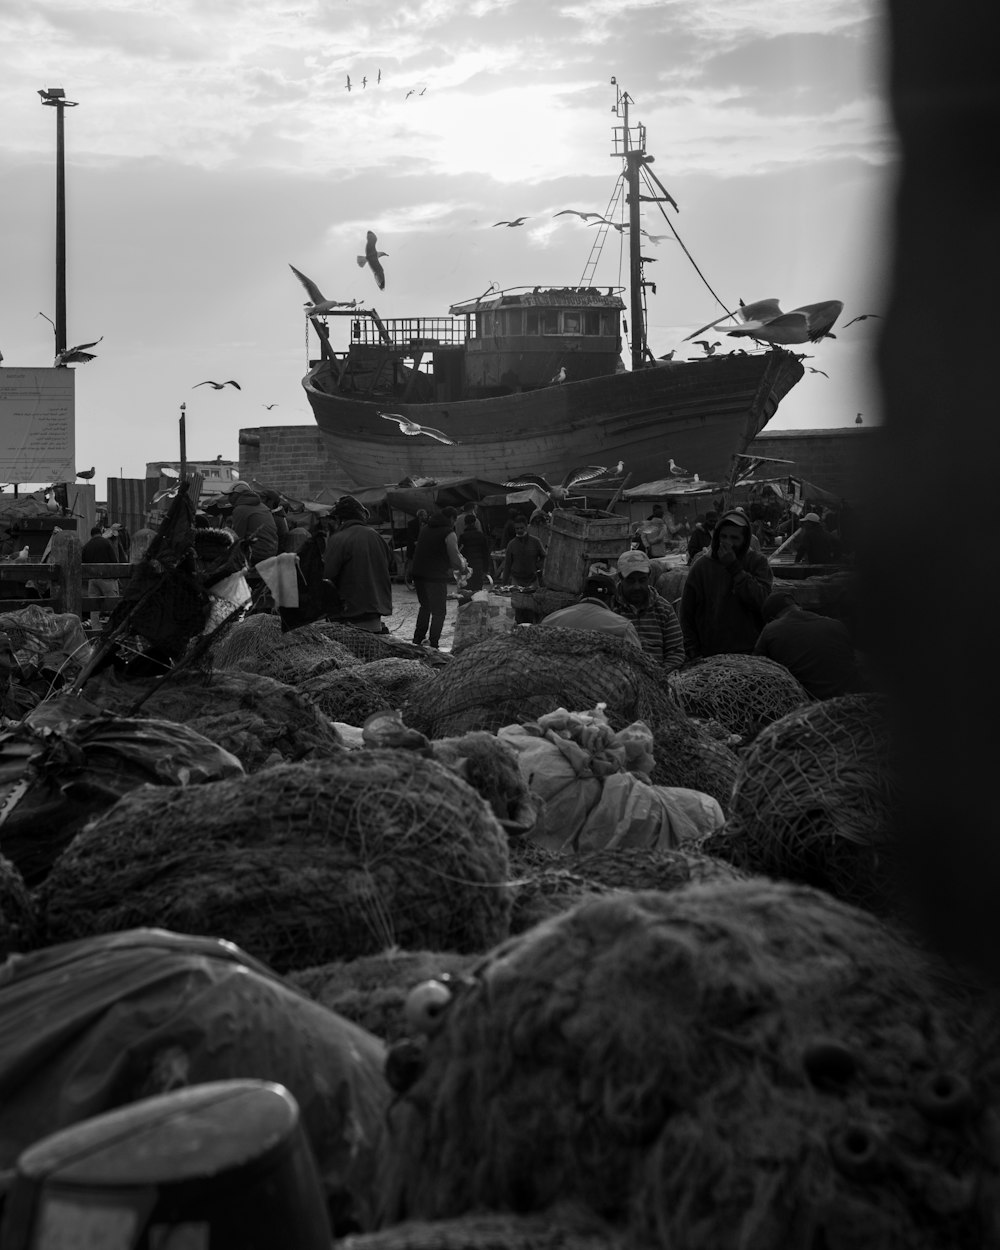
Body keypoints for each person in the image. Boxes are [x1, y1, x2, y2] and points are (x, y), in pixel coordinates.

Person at [680, 508, 773, 659]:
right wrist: (692, 649)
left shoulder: (757, 562)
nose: (728, 543)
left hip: (750, 653)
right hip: (710, 654)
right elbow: (686, 613)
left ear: (745, 540)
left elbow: (762, 602)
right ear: (717, 537)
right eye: (723, 536)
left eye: (735, 538)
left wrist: (734, 568)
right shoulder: (702, 566)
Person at [754, 590, 866, 699]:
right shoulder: (836, 624)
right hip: (850, 699)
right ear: (799, 607)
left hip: (807, 704)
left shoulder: (771, 630)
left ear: (771, 619)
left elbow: (755, 669)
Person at [322, 495, 393, 633]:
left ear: (339, 519)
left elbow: (326, 575)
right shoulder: (376, 536)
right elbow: (388, 563)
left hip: (349, 617)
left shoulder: (339, 539)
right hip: (375, 615)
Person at [612, 550, 685, 671]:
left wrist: (658, 675)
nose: (637, 587)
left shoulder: (664, 609)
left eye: (642, 580)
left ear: (649, 577)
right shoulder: (610, 607)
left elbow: (676, 653)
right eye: (631, 580)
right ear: (620, 578)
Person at [410, 508, 468, 648]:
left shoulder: (425, 528)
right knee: (439, 612)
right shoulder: (449, 533)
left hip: (418, 574)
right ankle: (433, 644)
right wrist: (463, 569)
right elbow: (454, 558)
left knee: (425, 607)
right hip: (435, 576)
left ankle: (417, 640)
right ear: (452, 519)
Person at [539, 571, 641, 646]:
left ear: (581, 596)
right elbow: (638, 666)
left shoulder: (549, 620)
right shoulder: (622, 627)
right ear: (612, 599)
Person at [502, 515, 546, 623]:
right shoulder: (511, 544)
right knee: (518, 609)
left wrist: (538, 566)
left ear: (526, 527)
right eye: (517, 528)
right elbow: (507, 565)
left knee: (534, 608)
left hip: (532, 579)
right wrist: (504, 585)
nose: (519, 530)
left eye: (521, 528)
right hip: (516, 580)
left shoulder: (535, 542)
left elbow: (544, 556)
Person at [227, 482, 279, 565]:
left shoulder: (240, 509)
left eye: (230, 495)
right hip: (272, 551)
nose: (228, 498)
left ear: (237, 494)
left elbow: (237, 537)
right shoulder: (263, 507)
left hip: (256, 554)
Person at [81, 523, 120, 628]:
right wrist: (116, 575)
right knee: (113, 604)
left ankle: (95, 629)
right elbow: (113, 560)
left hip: (92, 580)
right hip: (106, 578)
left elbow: (83, 563)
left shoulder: (87, 546)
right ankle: (114, 627)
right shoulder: (106, 543)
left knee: (93, 607)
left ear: (91, 535)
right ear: (100, 533)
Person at [457, 513, 491, 596]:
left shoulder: (463, 537)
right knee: (478, 591)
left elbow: (459, 553)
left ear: (465, 524)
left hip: (467, 568)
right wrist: (486, 569)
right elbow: (486, 553)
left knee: (466, 591)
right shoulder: (481, 536)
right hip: (479, 567)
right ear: (474, 523)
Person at [403, 508, 428, 588]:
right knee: (413, 565)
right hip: (414, 547)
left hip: (423, 547)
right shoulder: (412, 523)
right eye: (425, 515)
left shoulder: (427, 524)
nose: (426, 517)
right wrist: (415, 542)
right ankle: (413, 579)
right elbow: (410, 535)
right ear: (420, 516)